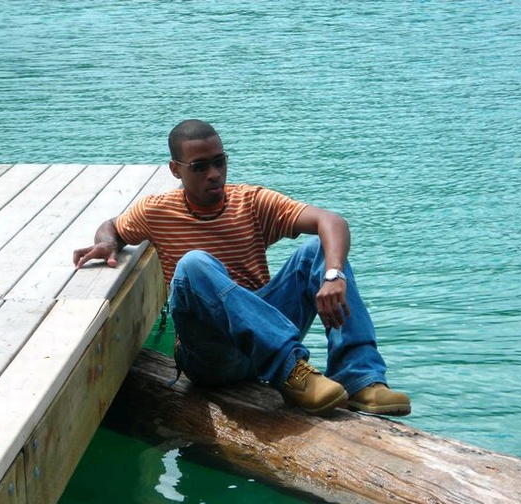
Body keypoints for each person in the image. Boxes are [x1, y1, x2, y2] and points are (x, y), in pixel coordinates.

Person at [73, 119, 410, 417]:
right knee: (193, 264)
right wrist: (107, 243)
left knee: (318, 249)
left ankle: (360, 379)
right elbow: (113, 227)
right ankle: (292, 370)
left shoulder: (251, 202)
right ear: (176, 170)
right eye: (200, 167)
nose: (214, 174)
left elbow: (330, 220)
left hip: (262, 342)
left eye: (219, 162)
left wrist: (333, 273)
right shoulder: (156, 211)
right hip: (211, 355)